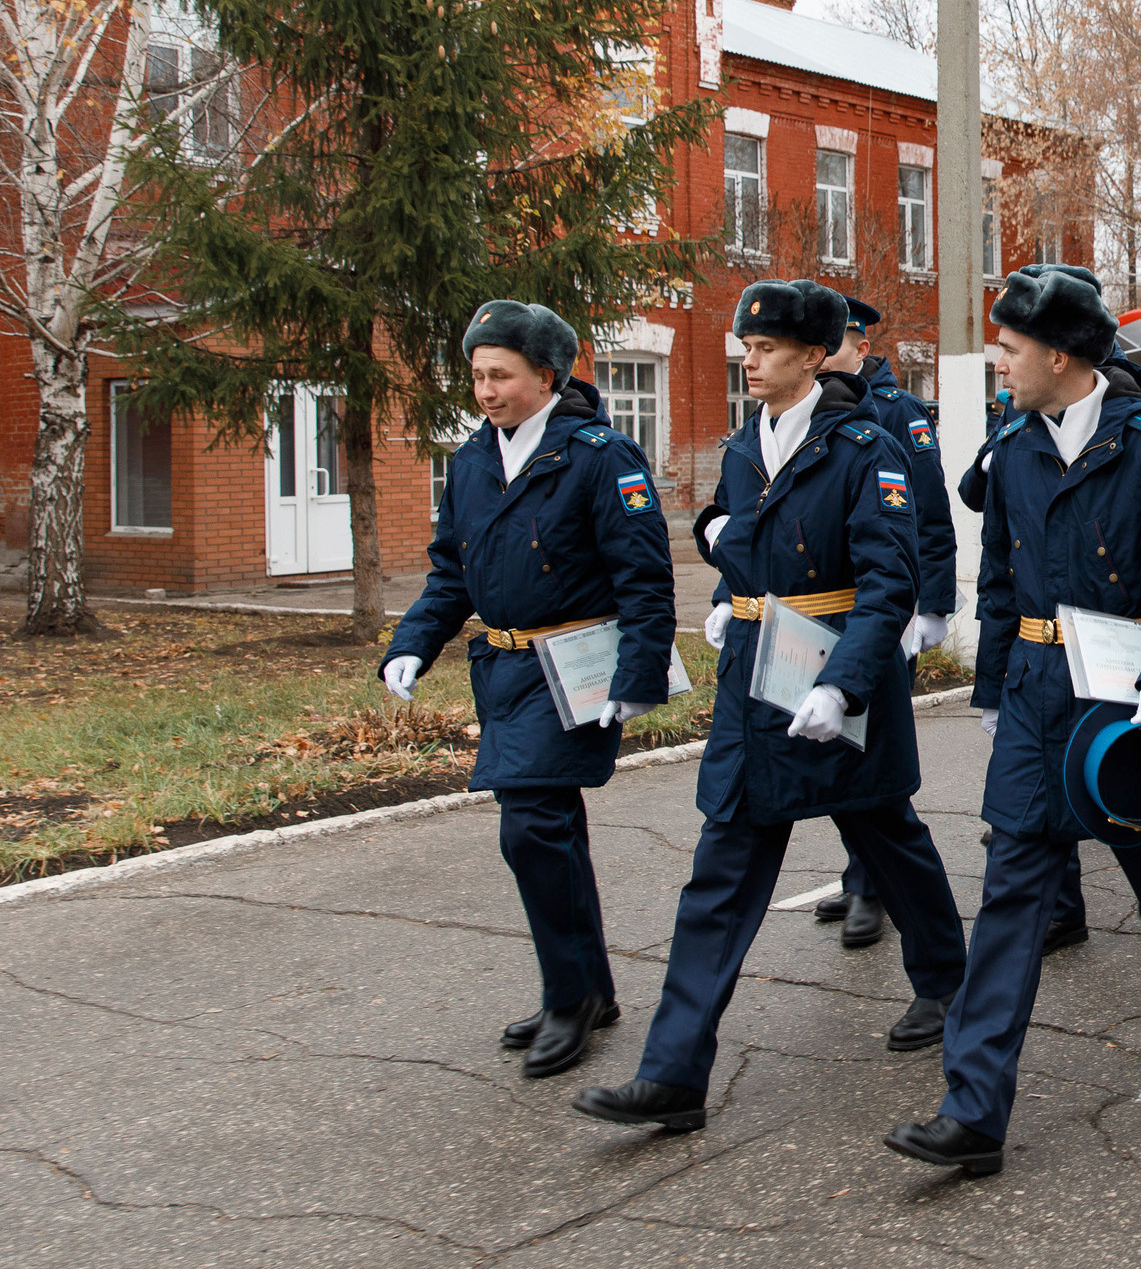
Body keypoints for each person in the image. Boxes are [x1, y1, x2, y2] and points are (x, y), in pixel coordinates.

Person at [574, 280, 965, 1134]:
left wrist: (844, 683)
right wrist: (729, 591)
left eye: (768, 349)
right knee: (720, 871)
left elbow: (888, 580)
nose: (749, 360)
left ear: (814, 356)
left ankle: (948, 983)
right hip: (757, 680)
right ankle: (673, 1072)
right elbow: (751, 539)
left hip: (836, 676)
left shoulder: (868, 447)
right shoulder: (745, 443)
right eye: (746, 347)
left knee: (887, 838)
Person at [886, 269, 1141, 1178]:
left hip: (1128, 700)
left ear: (1057, 355)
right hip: (1042, 692)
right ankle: (974, 1112)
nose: (999, 363)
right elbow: (1003, 584)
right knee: (1011, 891)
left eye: (1008, 349)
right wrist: (996, 691)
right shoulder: (1014, 446)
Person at [381, 300, 677, 1082]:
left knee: (532, 828)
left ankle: (570, 997)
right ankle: (588, 989)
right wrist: (412, 643)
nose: (484, 389)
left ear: (547, 375)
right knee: (548, 829)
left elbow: (644, 577)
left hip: (574, 664)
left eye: (500, 374)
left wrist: (640, 674)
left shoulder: (599, 456)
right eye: (477, 374)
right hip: (505, 670)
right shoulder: (476, 458)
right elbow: (452, 567)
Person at [797, 298, 957, 952]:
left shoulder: (898, 413)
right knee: (838, 749)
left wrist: (932, 607)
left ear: (860, 348)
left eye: (833, 348)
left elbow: (932, 516)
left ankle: (872, 885)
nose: (823, 359)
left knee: (868, 757)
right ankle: (863, 870)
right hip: (826, 612)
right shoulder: (807, 412)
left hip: (888, 611)